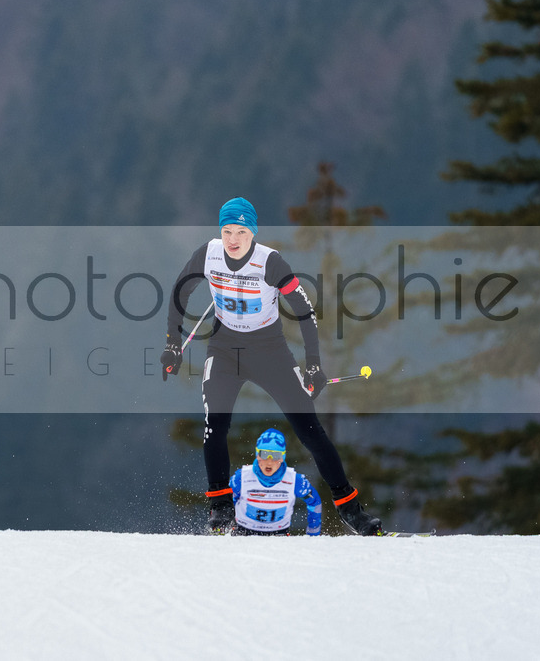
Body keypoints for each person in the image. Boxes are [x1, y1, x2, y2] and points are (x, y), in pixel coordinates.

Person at [160, 197, 382, 536]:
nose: (232, 239)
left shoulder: (270, 262)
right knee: (214, 425)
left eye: (241, 231)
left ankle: (352, 511)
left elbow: (304, 311)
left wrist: (313, 366)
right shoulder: (209, 254)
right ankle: (220, 507)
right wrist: (173, 345)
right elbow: (180, 292)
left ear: (253, 232)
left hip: (269, 351)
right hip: (225, 349)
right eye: (226, 231)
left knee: (310, 431)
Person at [230, 428, 321, 536]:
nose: (269, 461)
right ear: (257, 455)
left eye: (276, 456)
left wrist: (313, 534)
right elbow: (226, 501)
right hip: (244, 533)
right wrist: (225, 526)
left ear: (282, 458)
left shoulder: (295, 480)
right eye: (264, 454)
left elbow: (314, 502)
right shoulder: (242, 477)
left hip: (279, 535)